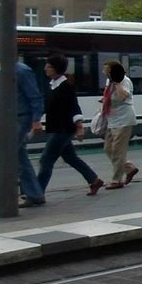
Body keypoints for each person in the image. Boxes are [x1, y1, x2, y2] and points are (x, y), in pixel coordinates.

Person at [36, 53, 104, 197]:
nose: (45, 69)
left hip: (64, 129)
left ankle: (37, 192)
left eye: (48, 66)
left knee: (46, 159)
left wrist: (79, 127)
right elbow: (46, 107)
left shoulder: (66, 86)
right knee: (70, 158)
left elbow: (74, 107)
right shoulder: (52, 85)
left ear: (56, 69)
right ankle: (94, 180)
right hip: (57, 127)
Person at [0, 56, 46, 209]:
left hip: (20, 118)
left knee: (7, 156)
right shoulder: (1, 71)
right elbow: (1, 98)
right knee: (19, 156)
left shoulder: (22, 71)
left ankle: (5, 196)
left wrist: (36, 119)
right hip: (10, 118)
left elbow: (34, 96)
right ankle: (34, 194)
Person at [99, 60, 139, 189]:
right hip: (112, 120)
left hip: (124, 120)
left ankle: (116, 180)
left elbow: (122, 96)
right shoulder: (108, 81)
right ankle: (129, 168)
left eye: (107, 69)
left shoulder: (124, 81)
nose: (104, 72)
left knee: (117, 151)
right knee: (108, 148)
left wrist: (116, 83)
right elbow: (109, 96)